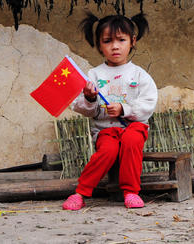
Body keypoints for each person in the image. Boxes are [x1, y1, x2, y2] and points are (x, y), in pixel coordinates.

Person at [62, 12, 158, 210]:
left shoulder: (139, 74)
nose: (115, 46)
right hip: (106, 131)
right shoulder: (94, 75)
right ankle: (81, 192)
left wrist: (125, 109)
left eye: (121, 40)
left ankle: (131, 191)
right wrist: (90, 98)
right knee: (108, 150)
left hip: (134, 127)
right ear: (99, 45)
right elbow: (87, 110)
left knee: (131, 140)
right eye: (107, 41)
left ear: (132, 41)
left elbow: (148, 103)